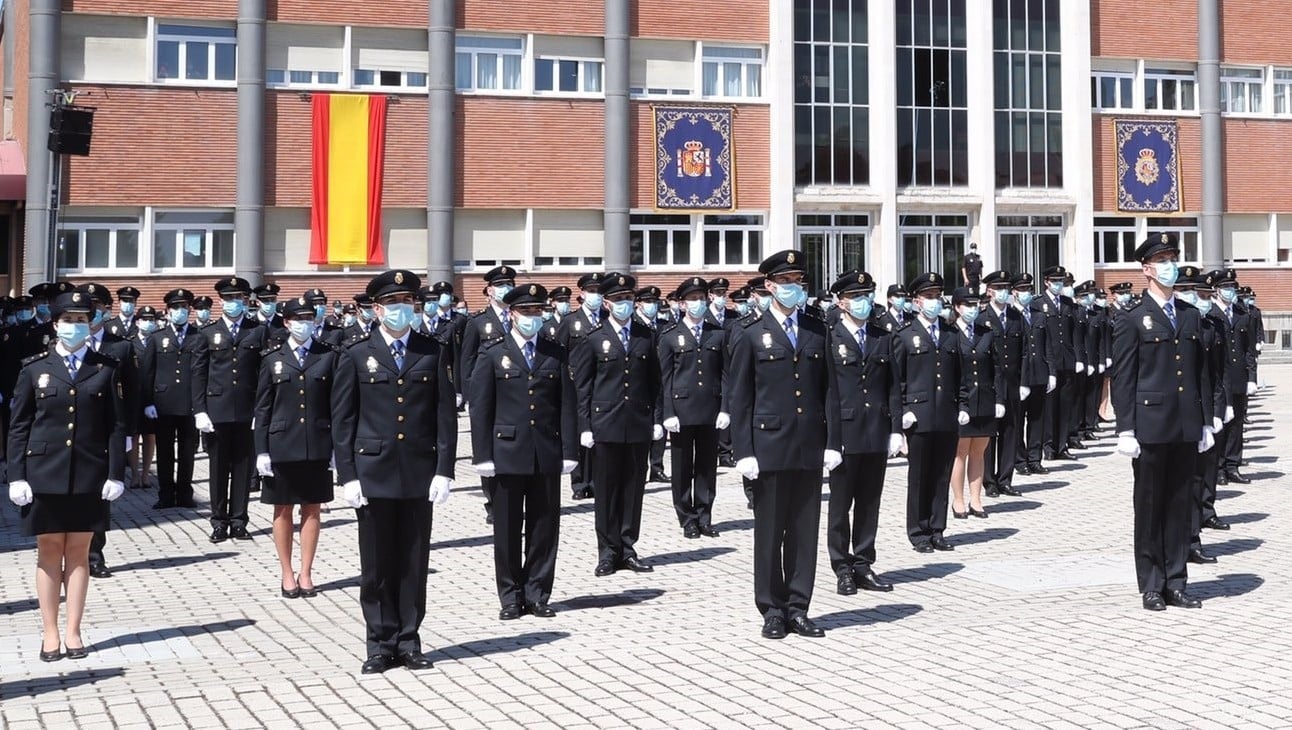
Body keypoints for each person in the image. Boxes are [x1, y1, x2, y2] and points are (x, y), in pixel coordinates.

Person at [333, 269, 457, 674]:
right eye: (391, 304)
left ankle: (409, 640)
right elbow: (343, 421)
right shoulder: (355, 354)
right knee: (376, 566)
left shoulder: (431, 351)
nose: (400, 311)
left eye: (406, 303)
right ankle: (379, 643)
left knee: (413, 563)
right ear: (375, 309)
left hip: (419, 474)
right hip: (373, 474)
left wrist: (445, 470)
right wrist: (348, 476)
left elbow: (444, 418)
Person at [7, 289, 128, 661]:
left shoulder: (104, 368)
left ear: (89, 324)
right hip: (43, 473)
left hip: (89, 474)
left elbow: (116, 426)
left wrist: (115, 473)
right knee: (48, 552)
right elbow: (19, 426)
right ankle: (49, 632)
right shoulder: (34, 368)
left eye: (81, 320)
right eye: (68, 320)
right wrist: (17, 476)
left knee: (78, 553)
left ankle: (73, 631)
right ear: (55, 324)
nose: (74, 327)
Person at [728, 250, 831, 640]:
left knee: (805, 531)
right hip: (769, 445)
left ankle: (799, 606)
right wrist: (744, 451)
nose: (793, 289)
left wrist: (833, 442)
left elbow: (829, 393)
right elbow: (741, 397)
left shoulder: (816, 330)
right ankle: (771, 608)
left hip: (809, 445)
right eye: (785, 282)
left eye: (797, 282)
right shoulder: (750, 333)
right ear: (769, 286)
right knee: (770, 532)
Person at [1111, 233, 1210, 611]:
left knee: (1180, 505)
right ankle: (1152, 583)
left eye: (1173, 258)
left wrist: (1204, 422)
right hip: (1150, 425)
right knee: (1150, 505)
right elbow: (1124, 376)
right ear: (1147, 269)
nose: (1171, 265)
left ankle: (1177, 580)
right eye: (1163, 259)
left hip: (1185, 424)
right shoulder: (1132, 319)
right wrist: (1125, 428)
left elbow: (1199, 373)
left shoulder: (1189, 314)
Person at [468, 284, 577, 620]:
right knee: (507, 528)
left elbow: (567, 405)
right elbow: (481, 408)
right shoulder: (492, 353)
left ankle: (538, 592)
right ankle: (511, 595)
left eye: (536, 312)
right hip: (507, 452)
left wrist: (569, 450)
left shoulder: (554, 352)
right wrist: (482, 454)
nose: (532, 317)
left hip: (545, 450)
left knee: (545, 527)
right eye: (526, 311)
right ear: (511, 314)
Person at [571, 273, 663, 576]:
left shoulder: (644, 335)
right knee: (607, 489)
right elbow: (583, 386)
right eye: (619, 299)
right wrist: (584, 426)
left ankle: (628, 547)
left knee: (633, 488)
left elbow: (655, 382)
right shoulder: (593, 338)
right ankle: (607, 551)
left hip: (637, 422)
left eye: (629, 298)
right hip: (605, 424)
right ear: (607, 303)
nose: (625, 303)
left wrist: (657, 419)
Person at [255, 296, 346, 599]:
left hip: (318, 443)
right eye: (298, 318)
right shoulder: (272, 358)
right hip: (282, 444)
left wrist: (337, 448)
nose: (304, 323)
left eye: (309, 318)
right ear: (287, 322)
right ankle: (285, 572)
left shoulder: (328, 356)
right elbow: (263, 408)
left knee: (312, 508)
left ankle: (306, 572)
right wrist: (261, 451)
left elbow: (337, 404)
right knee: (283, 509)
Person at [823, 271, 901, 596]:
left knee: (870, 503)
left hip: (876, 430)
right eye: (856, 296)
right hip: (844, 432)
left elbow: (893, 386)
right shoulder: (830, 337)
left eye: (867, 294)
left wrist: (896, 429)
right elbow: (826, 391)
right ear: (841, 302)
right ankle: (841, 567)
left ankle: (863, 563)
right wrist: (829, 441)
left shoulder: (882, 335)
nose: (864, 301)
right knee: (841, 506)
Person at [893, 272, 966, 554]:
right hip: (919, 417)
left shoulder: (951, 334)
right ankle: (919, 531)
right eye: (929, 297)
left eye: (938, 297)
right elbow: (897, 378)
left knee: (941, 474)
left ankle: (938, 529)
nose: (935, 302)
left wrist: (962, 406)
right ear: (916, 301)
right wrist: (903, 411)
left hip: (946, 415)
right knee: (920, 476)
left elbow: (960, 376)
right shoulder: (905, 335)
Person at [658, 277, 727, 540]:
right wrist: (667, 412)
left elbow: (725, 374)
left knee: (707, 466)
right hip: (682, 410)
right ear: (682, 304)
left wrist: (726, 408)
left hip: (710, 408)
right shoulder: (669, 336)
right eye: (693, 299)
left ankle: (705, 515)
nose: (698, 303)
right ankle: (686, 517)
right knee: (683, 466)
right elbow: (664, 378)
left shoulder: (717, 333)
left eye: (702, 298)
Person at [78, 283, 138, 580]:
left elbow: (133, 391)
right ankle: (72, 554)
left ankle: (95, 554)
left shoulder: (120, 347)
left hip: (107, 431)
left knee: (100, 496)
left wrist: (129, 432)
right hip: (75, 429)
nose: (92, 313)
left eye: (98, 307)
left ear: (105, 310)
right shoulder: (61, 345)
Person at [199, 277, 266, 543]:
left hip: (247, 410)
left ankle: (239, 520)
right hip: (217, 410)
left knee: (242, 466)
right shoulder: (208, 332)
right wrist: (199, 410)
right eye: (228, 298)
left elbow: (263, 373)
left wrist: (261, 410)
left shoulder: (257, 331)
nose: (233, 303)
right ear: (220, 301)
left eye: (238, 298)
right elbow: (199, 373)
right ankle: (218, 521)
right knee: (217, 467)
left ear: (246, 300)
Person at [1177, 269, 1228, 565]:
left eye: (1208, 295)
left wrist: (1219, 413)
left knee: (1201, 478)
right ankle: (1181, 540)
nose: (1204, 300)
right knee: (1182, 481)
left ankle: (1194, 539)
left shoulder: (1212, 327)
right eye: (1199, 295)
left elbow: (1217, 375)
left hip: (1207, 415)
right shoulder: (1179, 326)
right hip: (1180, 415)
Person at [140, 289, 208, 510]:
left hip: (189, 403)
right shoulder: (157, 338)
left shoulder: (198, 336)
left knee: (187, 452)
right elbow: (147, 372)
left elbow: (202, 373)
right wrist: (148, 401)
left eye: (184, 308)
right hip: (164, 404)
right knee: (165, 452)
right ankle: (166, 494)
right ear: (167, 311)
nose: (180, 311)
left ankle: (185, 493)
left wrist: (201, 407)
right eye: (176, 307)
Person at [460, 266, 517, 524]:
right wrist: (472, 394)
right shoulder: (477, 322)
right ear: (490, 290)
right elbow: (467, 361)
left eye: (510, 284)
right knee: (488, 446)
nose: (506, 289)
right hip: (487, 395)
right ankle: (493, 501)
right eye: (501, 285)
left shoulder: (519, 316)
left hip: (514, 395)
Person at [948, 287, 1005, 520]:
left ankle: (976, 498)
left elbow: (997, 369)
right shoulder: (950, 334)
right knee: (960, 452)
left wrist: (999, 399)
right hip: (962, 402)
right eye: (967, 305)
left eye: (975, 305)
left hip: (985, 400)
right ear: (957, 308)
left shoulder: (986, 333)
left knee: (979, 452)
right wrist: (956, 405)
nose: (973, 309)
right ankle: (958, 500)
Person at [557, 272, 606, 500]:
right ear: (583, 293)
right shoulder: (570, 321)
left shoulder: (608, 318)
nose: (596, 295)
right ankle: (579, 483)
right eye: (592, 291)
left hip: (603, 385)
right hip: (576, 386)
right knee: (578, 434)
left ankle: (596, 481)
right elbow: (560, 354)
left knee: (598, 434)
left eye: (599, 291)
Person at [1210, 269, 1258, 485]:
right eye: (1225, 287)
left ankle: (1233, 465)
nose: (1230, 291)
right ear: (1216, 290)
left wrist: (1252, 378)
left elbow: (1249, 350)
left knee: (1237, 425)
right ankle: (1218, 467)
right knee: (1220, 423)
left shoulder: (1242, 314)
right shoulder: (1210, 314)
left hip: (1238, 377)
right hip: (1219, 378)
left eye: (1232, 287)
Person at [979, 271, 1024, 498]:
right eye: (998, 288)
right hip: (990, 385)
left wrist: (1024, 382)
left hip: (1013, 383)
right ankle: (988, 481)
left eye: (1006, 288)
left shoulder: (1016, 317)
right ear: (989, 291)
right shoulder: (981, 317)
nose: (1003, 292)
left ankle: (1005, 478)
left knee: (1011, 430)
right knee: (990, 434)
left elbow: (1024, 351)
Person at [1011, 274, 1055, 477]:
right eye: (1022, 290)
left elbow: (1048, 346)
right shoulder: (1011, 316)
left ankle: (1034, 458)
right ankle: (1019, 460)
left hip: (1039, 373)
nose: (1026, 294)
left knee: (1037, 419)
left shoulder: (1039, 315)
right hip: (1020, 376)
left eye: (1028, 290)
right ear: (1014, 293)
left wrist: (1052, 372)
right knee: (1018, 420)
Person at [1034, 266, 1076, 462]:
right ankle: (1048, 446)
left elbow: (1075, 333)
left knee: (1065, 404)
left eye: (1061, 281)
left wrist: (1079, 359)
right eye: (1055, 281)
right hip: (1049, 362)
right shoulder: (1038, 303)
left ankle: (1062, 445)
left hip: (1067, 360)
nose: (1059, 284)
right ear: (1047, 282)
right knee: (1049, 407)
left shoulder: (1068, 303)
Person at [636, 286, 671, 485]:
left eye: (654, 302)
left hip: (662, 378)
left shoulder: (664, 326)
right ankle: (642, 466)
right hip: (641, 380)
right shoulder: (635, 325)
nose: (651, 306)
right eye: (647, 302)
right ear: (639, 304)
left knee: (660, 422)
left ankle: (657, 467)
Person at [128, 307, 160, 490]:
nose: (148, 322)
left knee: (150, 435)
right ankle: (134, 474)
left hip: (154, 395)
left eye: (151, 319)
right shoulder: (130, 342)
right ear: (137, 322)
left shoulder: (158, 340)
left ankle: (146, 474)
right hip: (134, 395)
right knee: (133, 435)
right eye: (144, 319)